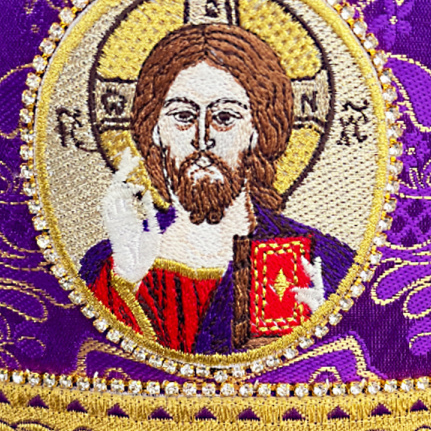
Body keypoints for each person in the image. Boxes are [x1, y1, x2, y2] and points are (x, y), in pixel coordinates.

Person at [80, 23, 354, 353]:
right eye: (183, 115)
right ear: (155, 130)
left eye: (224, 117)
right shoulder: (110, 264)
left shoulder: (315, 260)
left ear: (257, 131)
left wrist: (320, 328)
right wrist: (125, 281)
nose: (202, 136)